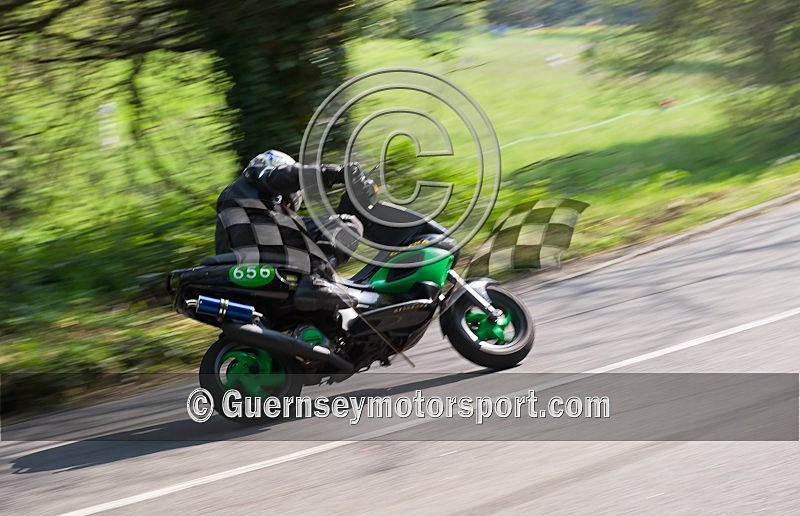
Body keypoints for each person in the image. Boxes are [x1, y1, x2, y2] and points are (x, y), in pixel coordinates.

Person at [215, 149, 366, 311]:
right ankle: (317, 279)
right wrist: (334, 173)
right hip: (259, 240)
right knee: (347, 224)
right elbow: (286, 176)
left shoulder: (232, 206)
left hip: (246, 273)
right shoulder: (257, 176)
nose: (288, 208)